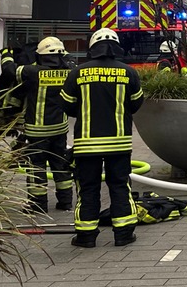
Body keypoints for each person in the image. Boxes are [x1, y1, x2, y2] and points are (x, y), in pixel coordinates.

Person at [59, 28, 144, 248]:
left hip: (87, 144)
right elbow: (136, 103)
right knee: (120, 186)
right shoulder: (129, 72)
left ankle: (86, 236)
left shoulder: (78, 72)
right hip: (119, 142)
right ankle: (123, 234)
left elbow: (67, 105)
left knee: (88, 188)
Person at [1, 37, 76, 214]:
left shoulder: (32, 72)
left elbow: (9, 71)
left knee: (37, 167)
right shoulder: (68, 72)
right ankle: (65, 202)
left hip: (37, 130)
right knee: (60, 164)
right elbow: (67, 58)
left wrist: (6, 55)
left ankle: (38, 204)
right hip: (60, 129)